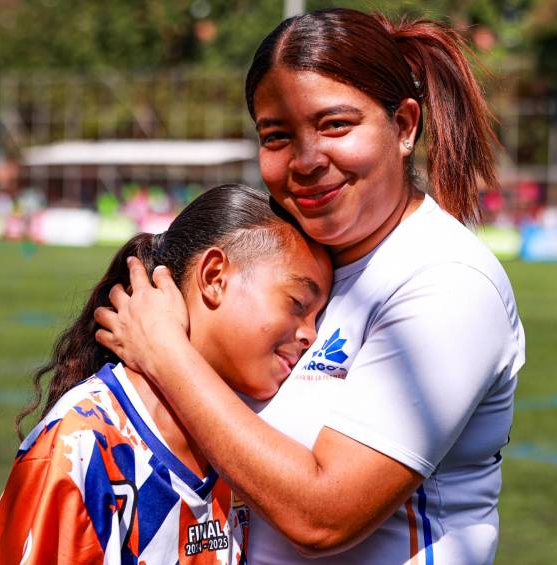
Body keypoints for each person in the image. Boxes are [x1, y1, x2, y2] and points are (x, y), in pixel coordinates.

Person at [96, 8, 525, 565]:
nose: (305, 160)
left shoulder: (445, 280)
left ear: (404, 126)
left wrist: (165, 354)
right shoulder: (296, 261)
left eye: (335, 126)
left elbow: (323, 516)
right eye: (276, 136)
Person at [0, 184, 332, 564]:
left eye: (318, 315)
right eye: (298, 303)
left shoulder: (245, 445)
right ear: (215, 276)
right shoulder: (80, 446)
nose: (311, 335)